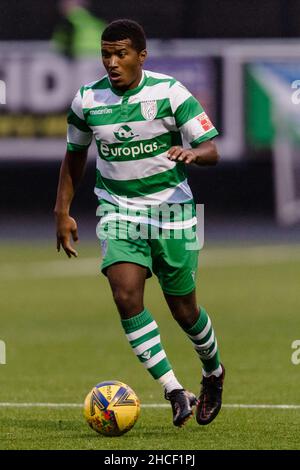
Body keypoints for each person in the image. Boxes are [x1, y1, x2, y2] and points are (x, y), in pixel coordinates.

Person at [54, 19, 225, 427]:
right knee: (126, 295)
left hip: (173, 212)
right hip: (118, 210)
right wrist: (61, 211)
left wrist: (193, 154)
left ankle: (213, 372)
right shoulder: (86, 100)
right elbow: (74, 157)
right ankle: (173, 390)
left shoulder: (169, 92)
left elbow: (212, 150)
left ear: (141, 56)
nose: (112, 62)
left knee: (184, 310)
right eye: (106, 54)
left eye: (121, 53)